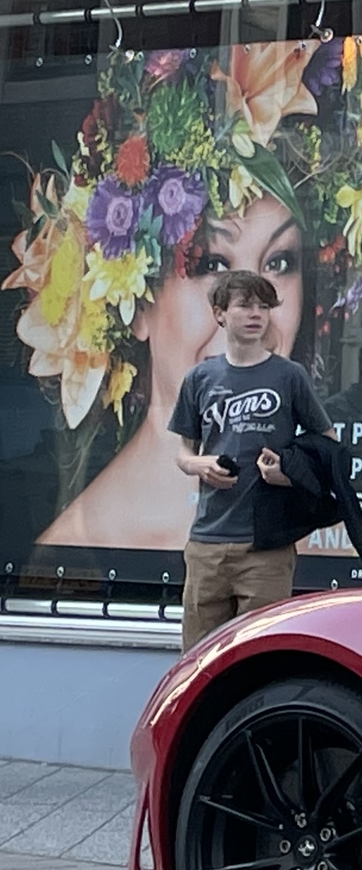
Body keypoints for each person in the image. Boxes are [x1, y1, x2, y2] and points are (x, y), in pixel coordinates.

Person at [39, 192, 307, 550]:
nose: (252, 317)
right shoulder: (77, 548)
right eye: (210, 265)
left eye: (279, 262)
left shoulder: (347, 545)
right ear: (136, 302)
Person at [170, 268, 334, 650]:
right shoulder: (200, 378)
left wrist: (288, 473)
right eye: (245, 305)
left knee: (262, 657)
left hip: (267, 547)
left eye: (264, 306)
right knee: (197, 662)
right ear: (220, 314)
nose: (256, 314)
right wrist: (199, 465)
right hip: (207, 544)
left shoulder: (289, 376)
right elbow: (182, 451)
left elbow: (327, 446)